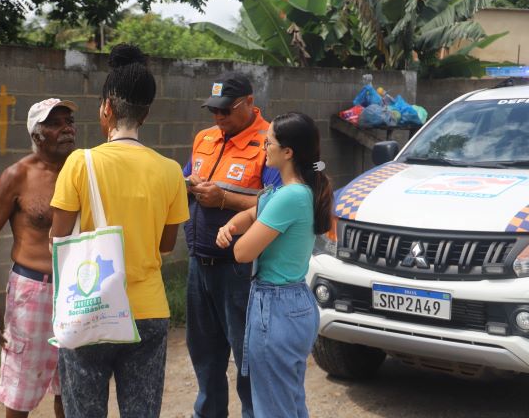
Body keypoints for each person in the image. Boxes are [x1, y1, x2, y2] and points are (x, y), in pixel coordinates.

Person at [49, 43, 190, 418]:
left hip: (89, 307)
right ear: (145, 113)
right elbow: (166, 244)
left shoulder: (80, 162)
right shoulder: (170, 170)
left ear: (107, 109)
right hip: (148, 312)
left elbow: (57, 240)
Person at [216, 112, 333, 418]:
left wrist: (236, 237)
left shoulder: (290, 196)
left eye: (268, 142)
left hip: (277, 307)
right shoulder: (288, 191)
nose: (262, 148)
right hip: (290, 303)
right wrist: (231, 224)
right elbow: (254, 214)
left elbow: (242, 252)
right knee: (288, 403)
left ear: (288, 152)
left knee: (272, 408)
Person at [184, 72, 281, 418]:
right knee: (204, 358)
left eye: (226, 111)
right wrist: (188, 184)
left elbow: (278, 203)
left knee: (248, 362)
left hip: (240, 271)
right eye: (213, 111)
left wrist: (224, 198)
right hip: (199, 265)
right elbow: (185, 179)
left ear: (250, 103)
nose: (219, 118)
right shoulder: (205, 138)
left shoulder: (270, 142)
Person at [0, 98, 78, 418]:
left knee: (71, 386)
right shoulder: (17, 175)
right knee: (21, 390)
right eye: (56, 123)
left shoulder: (83, 169)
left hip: (77, 289)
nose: (67, 129)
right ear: (37, 134)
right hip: (33, 291)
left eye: (68, 121)